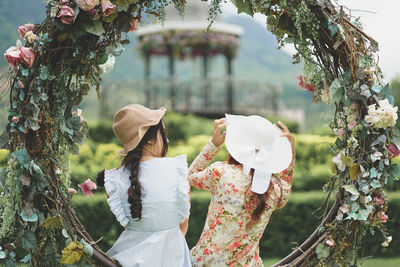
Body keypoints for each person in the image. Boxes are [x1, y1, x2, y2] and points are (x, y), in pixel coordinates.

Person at [188, 115, 296, 266]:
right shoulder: (277, 189)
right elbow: (286, 180)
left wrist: (213, 144)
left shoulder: (220, 173)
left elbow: (189, 176)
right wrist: (290, 153)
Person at [97, 104, 191, 267]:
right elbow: (183, 223)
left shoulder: (113, 180)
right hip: (173, 259)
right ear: (150, 139)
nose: (166, 140)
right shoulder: (177, 170)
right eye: (163, 134)